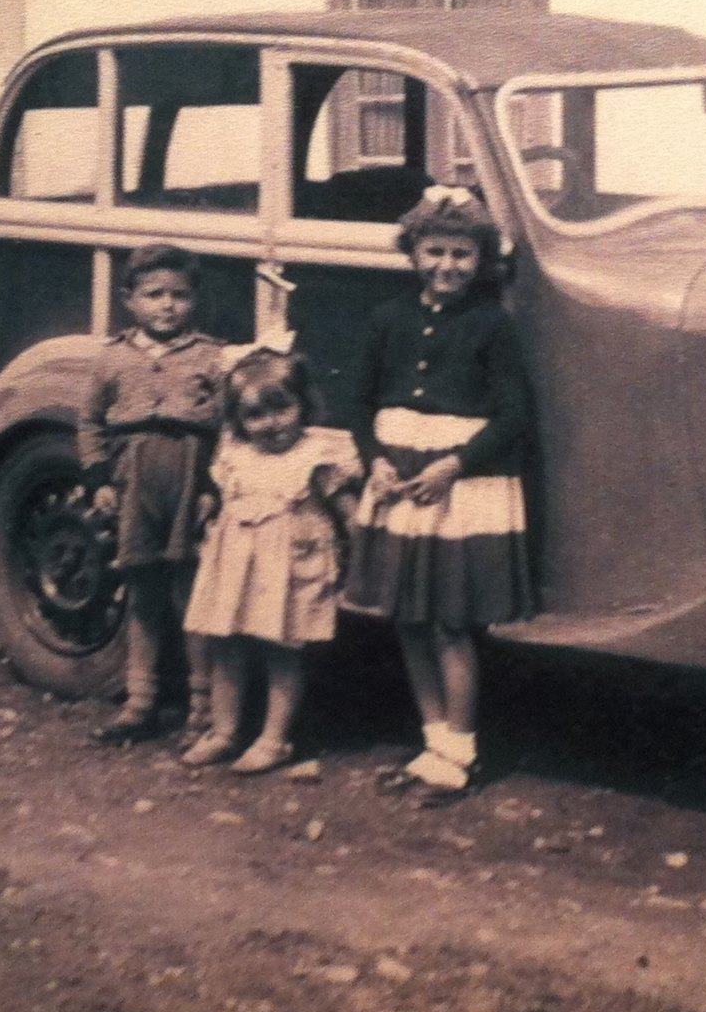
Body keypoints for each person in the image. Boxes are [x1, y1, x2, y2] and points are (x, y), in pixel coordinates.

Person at [343, 185, 534, 793]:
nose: (447, 266)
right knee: (407, 619)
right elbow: (360, 401)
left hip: (455, 486)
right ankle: (433, 744)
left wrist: (456, 463)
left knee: (450, 622)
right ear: (414, 252)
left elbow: (513, 417)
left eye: (461, 254)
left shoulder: (491, 325)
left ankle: (462, 750)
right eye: (435, 252)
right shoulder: (387, 319)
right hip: (398, 480)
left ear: (480, 261)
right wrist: (373, 459)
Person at [180, 350, 364, 774]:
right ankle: (224, 731)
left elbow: (349, 514)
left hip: (291, 569)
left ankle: (274, 738)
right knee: (226, 644)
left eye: (282, 408)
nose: (272, 423)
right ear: (239, 420)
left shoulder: (318, 454)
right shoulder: (235, 455)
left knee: (283, 650)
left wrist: (358, 555)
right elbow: (220, 499)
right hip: (237, 564)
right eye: (256, 415)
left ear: (304, 403)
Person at [76, 243, 225, 743]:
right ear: (129, 300)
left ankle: (201, 706)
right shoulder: (112, 358)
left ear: (194, 301)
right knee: (141, 590)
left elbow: (230, 429)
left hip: (189, 482)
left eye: (179, 295)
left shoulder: (211, 357)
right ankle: (140, 700)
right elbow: (91, 422)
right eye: (154, 294)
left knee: (192, 594)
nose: (167, 305)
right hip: (134, 481)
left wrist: (214, 488)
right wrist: (99, 480)